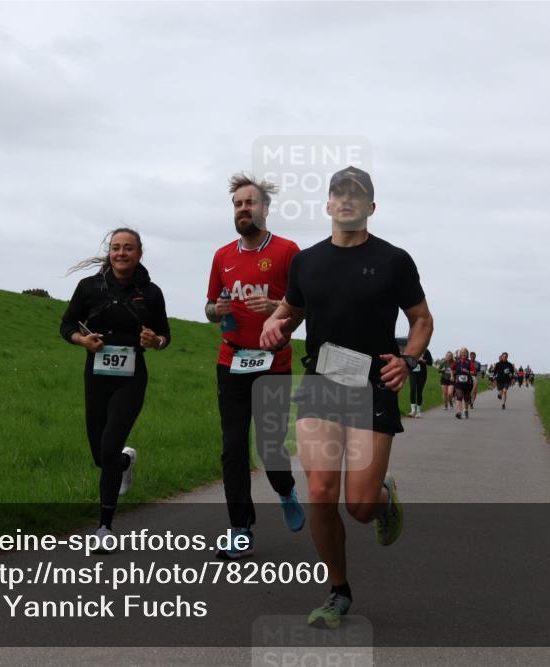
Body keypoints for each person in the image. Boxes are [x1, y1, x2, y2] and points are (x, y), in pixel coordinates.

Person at [260, 166, 433, 629]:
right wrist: (275, 325)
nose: (347, 201)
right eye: (339, 194)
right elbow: (291, 310)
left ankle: (383, 497)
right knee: (319, 492)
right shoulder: (307, 262)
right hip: (321, 385)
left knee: (359, 506)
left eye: (357, 195)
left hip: (373, 387)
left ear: (371, 207)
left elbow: (421, 319)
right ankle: (338, 591)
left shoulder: (395, 261)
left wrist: (409, 359)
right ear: (329, 205)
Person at [205, 173, 305, 560]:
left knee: (269, 445)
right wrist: (217, 310)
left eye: (249, 203)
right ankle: (240, 528)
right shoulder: (222, 256)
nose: (242, 209)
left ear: (265, 209)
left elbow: (303, 309)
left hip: (273, 362)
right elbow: (210, 307)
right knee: (232, 446)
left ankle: (284, 490)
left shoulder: (287, 251)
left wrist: (279, 312)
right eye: (237, 204)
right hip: (231, 360)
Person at [60, 228, 171, 543]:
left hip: (131, 380)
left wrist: (155, 341)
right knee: (102, 456)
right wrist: (82, 340)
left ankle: (104, 527)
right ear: (110, 252)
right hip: (96, 378)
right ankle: (125, 461)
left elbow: (165, 336)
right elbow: (65, 325)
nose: (121, 253)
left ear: (139, 254)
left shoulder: (150, 292)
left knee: (108, 447)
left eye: (128, 248)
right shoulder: (89, 287)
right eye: (116, 248)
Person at [407, 348, 434, 418]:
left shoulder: (426, 351)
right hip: (413, 372)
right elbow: (407, 361)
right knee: (412, 389)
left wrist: (423, 360)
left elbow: (430, 363)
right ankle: (413, 411)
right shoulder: (412, 350)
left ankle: (418, 412)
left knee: (419, 391)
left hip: (422, 374)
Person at [451, 347, 476, 419]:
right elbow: (452, 369)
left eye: (465, 353)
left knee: (466, 398)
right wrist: (452, 376)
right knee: (459, 396)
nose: (463, 354)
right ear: (459, 354)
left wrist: (467, 371)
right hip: (458, 382)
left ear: (467, 354)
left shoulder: (470, 363)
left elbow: (474, 372)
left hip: (468, 383)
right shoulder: (456, 362)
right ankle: (459, 412)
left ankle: (466, 410)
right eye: (462, 352)